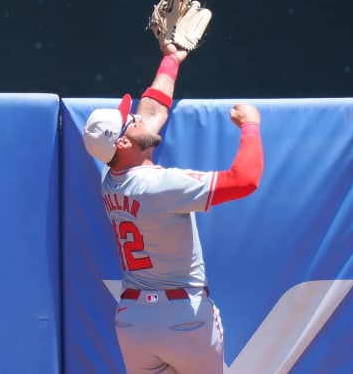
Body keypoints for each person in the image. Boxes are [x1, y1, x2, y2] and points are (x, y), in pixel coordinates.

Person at [82, 41, 264, 374]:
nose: (137, 115)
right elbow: (244, 180)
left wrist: (172, 58)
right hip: (184, 319)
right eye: (130, 120)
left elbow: (153, 110)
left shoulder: (111, 176)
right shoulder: (161, 185)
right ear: (123, 141)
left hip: (135, 323)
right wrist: (251, 126)